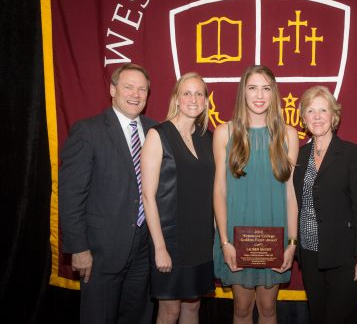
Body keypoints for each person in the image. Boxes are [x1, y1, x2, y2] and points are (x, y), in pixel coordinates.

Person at [59, 63, 156, 324]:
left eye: (142, 89)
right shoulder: (87, 131)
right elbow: (71, 196)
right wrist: (78, 249)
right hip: (101, 252)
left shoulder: (155, 131)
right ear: (112, 89)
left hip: (145, 251)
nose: (136, 94)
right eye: (128, 87)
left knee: (138, 317)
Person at [213, 65, 299, 324]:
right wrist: (225, 242)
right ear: (243, 93)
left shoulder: (288, 134)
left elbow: (291, 194)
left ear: (274, 93)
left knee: (268, 308)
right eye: (252, 88)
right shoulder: (224, 133)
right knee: (241, 308)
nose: (259, 95)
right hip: (236, 237)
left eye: (266, 88)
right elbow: (219, 189)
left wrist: (292, 244)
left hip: (275, 235)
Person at [293, 85, 357, 324]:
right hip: (309, 256)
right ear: (304, 117)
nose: (317, 116)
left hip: (346, 257)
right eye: (311, 110)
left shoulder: (353, 155)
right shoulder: (298, 156)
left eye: (323, 110)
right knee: (318, 316)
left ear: (334, 115)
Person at [141, 72, 215, 324]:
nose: (193, 99)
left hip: (201, 239)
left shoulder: (208, 137)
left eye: (199, 93)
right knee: (169, 311)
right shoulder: (157, 134)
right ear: (176, 98)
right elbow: (148, 197)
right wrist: (160, 248)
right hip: (170, 240)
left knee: (193, 308)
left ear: (206, 101)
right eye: (187, 93)